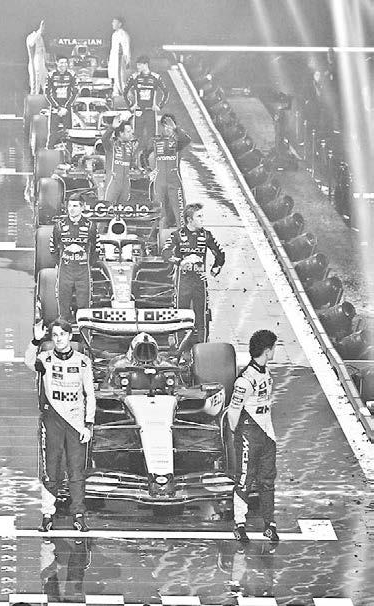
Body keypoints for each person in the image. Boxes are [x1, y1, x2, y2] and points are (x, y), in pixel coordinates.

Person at [25, 319, 95, 533]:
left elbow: (90, 394)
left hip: (76, 424)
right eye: (55, 335)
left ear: (70, 336)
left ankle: (79, 515)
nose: (58, 339)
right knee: (51, 470)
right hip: (52, 421)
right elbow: (28, 362)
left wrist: (88, 424)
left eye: (62, 335)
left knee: (76, 471)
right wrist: (35, 340)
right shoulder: (45, 359)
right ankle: (47, 514)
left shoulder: (83, 362)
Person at [228, 329, 278, 544]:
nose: (275, 351)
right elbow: (233, 411)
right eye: (274, 348)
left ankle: (269, 524)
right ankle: (239, 524)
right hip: (249, 433)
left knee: (267, 479)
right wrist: (237, 434)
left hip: (267, 433)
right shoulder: (245, 380)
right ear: (267, 351)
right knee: (244, 478)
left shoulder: (266, 372)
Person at [161, 203, 225, 352]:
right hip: (183, 281)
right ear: (190, 220)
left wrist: (216, 267)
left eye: (202, 216)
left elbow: (220, 253)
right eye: (199, 216)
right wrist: (181, 261)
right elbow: (165, 253)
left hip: (200, 280)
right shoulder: (177, 235)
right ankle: (179, 348)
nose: (202, 219)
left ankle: (203, 349)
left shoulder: (206, 235)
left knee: (201, 316)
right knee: (180, 315)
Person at [50, 197, 97, 321]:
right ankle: (64, 326)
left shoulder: (91, 226)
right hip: (65, 269)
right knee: (63, 304)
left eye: (75, 206)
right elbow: (53, 248)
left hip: (83, 270)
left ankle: (84, 330)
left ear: (82, 207)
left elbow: (96, 249)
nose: (71, 209)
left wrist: (88, 263)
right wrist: (61, 262)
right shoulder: (59, 226)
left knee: (84, 306)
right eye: (70, 206)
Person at [145, 113, 191, 228]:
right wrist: (149, 171)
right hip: (159, 182)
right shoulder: (154, 140)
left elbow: (187, 140)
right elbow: (145, 155)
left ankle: (182, 234)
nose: (167, 129)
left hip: (174, 182)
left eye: (170, 127)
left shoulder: (178, 141)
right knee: (158, 212)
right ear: (161, 127)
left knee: (179, 212)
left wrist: (176, 128)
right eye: (165, 126)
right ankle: (157, 234)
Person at [123, 56, 168, 163]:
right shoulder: (134, 77)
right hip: (138, 111)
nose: (137, 67)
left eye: (139, 65)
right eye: (137, 65)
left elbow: (166, 92)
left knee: (152, 137)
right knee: (136, 136)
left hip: (150, 112)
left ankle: (148, 160)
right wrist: (131, 106)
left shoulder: (155, 77)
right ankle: (133, 160)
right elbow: (125, 92)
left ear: (145, 64)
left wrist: (159, 106)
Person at [101, 113, 137, 206]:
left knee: (124, 209)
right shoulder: (111, 145)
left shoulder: (130, 146)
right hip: (113, 182)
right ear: (121, 133)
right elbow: (104, 139)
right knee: (108, 208)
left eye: (131, 131)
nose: (131, 133)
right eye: (128, 132)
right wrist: (112, 128)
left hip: (126, 184)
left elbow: (132, 164)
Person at [45, 56, 77, 132]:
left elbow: (75, 92)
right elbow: (47, 93)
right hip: (55, 107)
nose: (64, 65)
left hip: (67, 107)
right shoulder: (51, 75)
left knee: (68, 132)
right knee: (53, 132)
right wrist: (57, 107)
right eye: (61, 63)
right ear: (57, 63)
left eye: (65, 63)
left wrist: (66, 106)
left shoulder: (72, 74)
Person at [108, 17, 131, 97]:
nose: (112, 24)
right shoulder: (114, 34)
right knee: (114, 78)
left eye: (114, 22)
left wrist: (127, 60)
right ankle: (116, 93)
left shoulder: (123, 34)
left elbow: (126, 48)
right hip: (114, 60)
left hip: (119, 60)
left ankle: (127, 95)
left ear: (120, 24)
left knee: (120, 78)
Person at [26, 20, 47, 95]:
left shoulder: (40, 37)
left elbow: (43, 51)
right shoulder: (31, 36)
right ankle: (34, 100)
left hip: (42, 64)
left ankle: (48, 99)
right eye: (43, 27)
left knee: (46, 83)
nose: (44, 29)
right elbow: (31, 43)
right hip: (34, 65)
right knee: (35, 87)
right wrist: (39, 31)